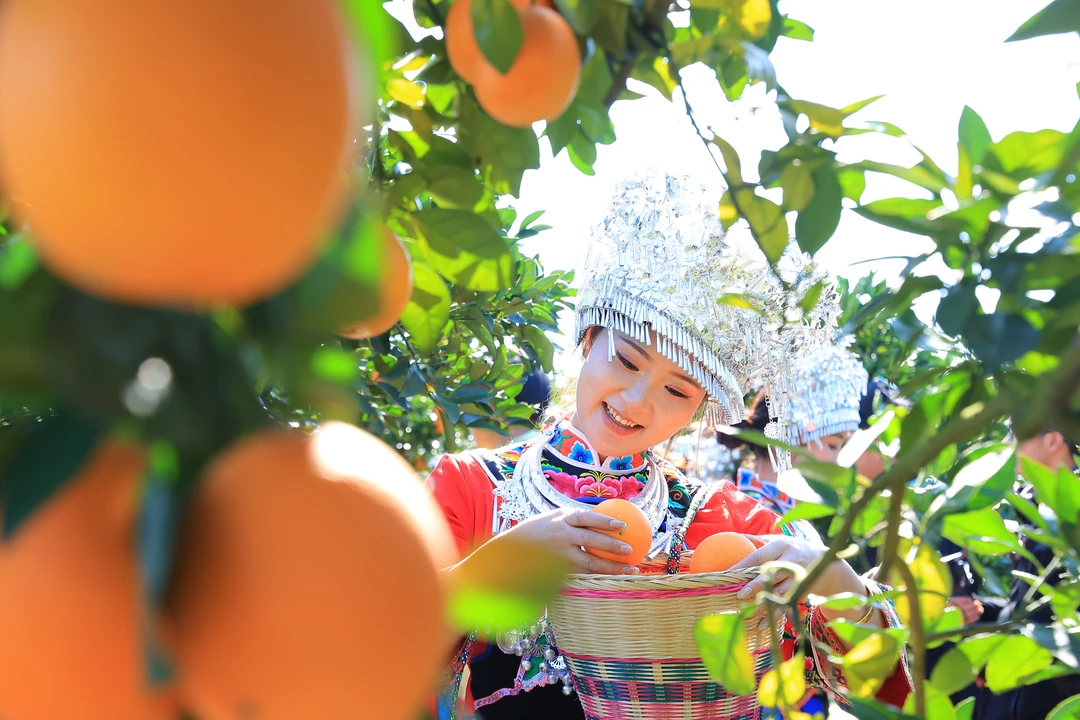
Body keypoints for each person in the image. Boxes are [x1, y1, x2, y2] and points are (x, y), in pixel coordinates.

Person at [424, 174, 912, 719]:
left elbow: (875, 693)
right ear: (588, 340)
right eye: (626, 361)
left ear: (699, 408)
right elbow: (368, 652)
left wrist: (839, 586)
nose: (636, 400)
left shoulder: (732, 523)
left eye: (677, 390)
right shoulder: (471, 490)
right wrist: (492, 566)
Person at [970, 424, 1080, 720]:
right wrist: (980, 610)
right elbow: (1027, 606)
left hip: (1053, 692)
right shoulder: (1037, 508)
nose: (1006, 444)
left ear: (1054, 440)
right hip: (1018, 689)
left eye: (1014, 435)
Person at [720, 344, 868, 523]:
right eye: (832, 446)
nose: (836, 462)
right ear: (786, 441)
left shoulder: (774, 513)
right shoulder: (753, 516)